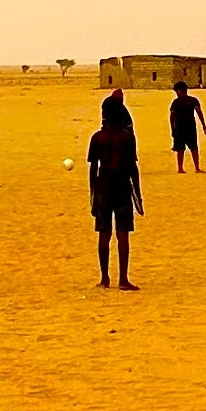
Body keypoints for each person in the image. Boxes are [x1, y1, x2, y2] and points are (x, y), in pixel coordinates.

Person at [88, 89, 142, 288]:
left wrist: (93, 196)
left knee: (104, 233)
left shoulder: (97, 137)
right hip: (122, 187)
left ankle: (104, 278)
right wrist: (138, 196)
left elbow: (93, 169)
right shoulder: (127, 138)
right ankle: (123, 279)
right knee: (122, 233)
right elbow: (132, 167)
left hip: (103, 187)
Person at [169, 79, 206, 173]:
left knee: (186, 148)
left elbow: (172, 116)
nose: (176, 93)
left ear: (180, 90)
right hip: (186, 127)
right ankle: (190, 168)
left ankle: (186, 168)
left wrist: (173, 128)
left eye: (177, 91)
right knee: (187, 148)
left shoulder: (177, 102)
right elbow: (199, 112)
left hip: (182, 127)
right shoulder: (192, 100)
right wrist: (204, 126)